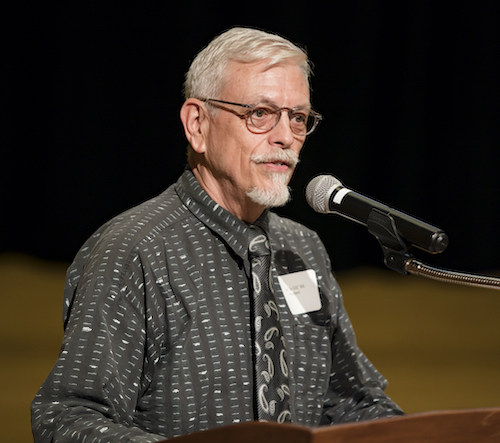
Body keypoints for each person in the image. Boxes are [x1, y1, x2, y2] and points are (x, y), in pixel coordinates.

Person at [31, 27, 403, 442]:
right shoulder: (134, 249)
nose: (284, 137)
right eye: (260, 113)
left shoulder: (302, 250)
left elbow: (353, 403)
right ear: (197, 124)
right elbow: (68, 419)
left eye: (297, 117)